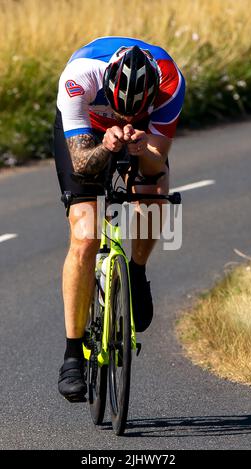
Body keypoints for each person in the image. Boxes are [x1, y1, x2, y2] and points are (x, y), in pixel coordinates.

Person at [54, 36, 185, 400]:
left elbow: (157, 162)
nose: (125, 117)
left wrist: (144, 148)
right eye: (121, 109)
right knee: (84, 233)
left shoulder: (171, 83)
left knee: (154, 194)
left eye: (135, 110)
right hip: (89, 132)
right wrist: (108, 145)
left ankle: (137, 273)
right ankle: (71, 355)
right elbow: (81, 164)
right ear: (107, 85)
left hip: (142, 135)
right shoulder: (79, 78)